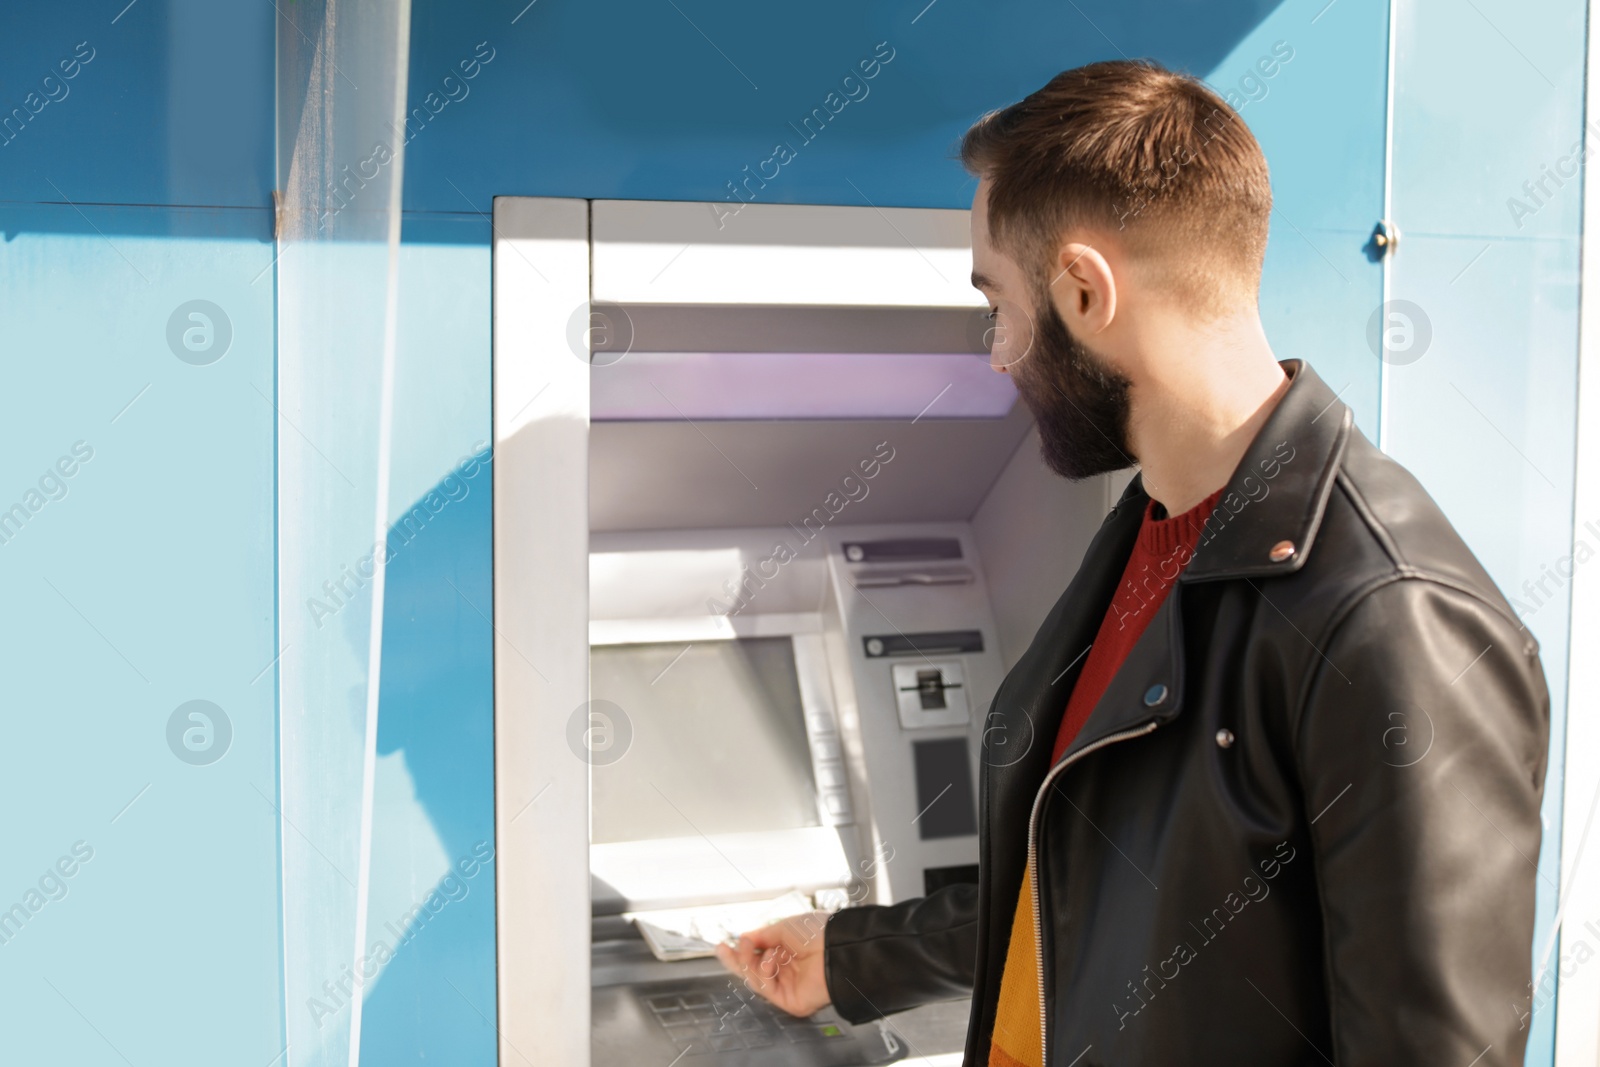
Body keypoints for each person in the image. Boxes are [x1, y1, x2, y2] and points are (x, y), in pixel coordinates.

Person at [716, 58, 1551, 1065]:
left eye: (999, 302)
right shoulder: (1154, 524)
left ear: (1082, 287)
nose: (997, 353)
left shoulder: (1387, 617)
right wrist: (852, 953)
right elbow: (1095, 872)